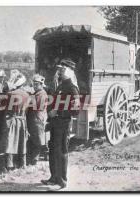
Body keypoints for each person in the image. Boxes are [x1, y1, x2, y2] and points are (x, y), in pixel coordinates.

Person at [41, 58, 80, 189]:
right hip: (55, 123)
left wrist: (58, 111)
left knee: (62, 151)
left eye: (63, 69)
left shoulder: (72, 88)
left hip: (63, 123)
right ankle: (53, 178)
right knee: (52, 150)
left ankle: (62, 181)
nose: (60, 71)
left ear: (70, 71)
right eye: (60, 69)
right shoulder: (61, 85)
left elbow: (75, 110)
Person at [0, 70, 30, 170]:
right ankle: (22, 164)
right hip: (22, 120)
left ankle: (9, 165)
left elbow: (2, 105)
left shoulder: (10, 94)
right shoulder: (27, 95)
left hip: (12, 120)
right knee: (22, 142)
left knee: (10, 142)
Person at [26, 74, 48, 165]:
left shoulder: (42, 94)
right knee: (34, 138)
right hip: (34, 118)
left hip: (37, 119)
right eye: (34, 84)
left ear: (41, 84)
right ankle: (33, 158)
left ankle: (35, 159)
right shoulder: (37, 93)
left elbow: (35, 105)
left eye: (37, 84)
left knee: (37, 140)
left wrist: (28, 98)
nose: (35, 86)